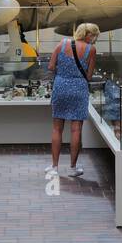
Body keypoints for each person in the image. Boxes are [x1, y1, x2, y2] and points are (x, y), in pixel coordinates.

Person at [47, 22, 98, 177]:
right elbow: (89, 76)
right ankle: (73, 168)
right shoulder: (91, 50)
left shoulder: (62, 44)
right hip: (79, 89)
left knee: (57, 128)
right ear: (88, 34)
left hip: (60, 86)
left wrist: (63, 72)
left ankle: (54, 167)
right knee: (76, 130)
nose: (95, 39)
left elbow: (50, 66)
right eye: (95, 36)